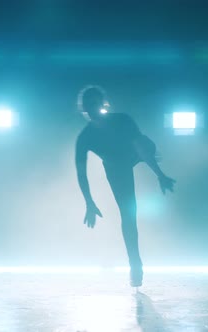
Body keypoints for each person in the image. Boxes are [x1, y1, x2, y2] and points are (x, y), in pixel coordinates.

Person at [75, 85, 175, 287]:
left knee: (146, 145)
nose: (93, 109)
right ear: (84, 109)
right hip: (116, 167)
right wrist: (89, 202)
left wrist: (159, 174)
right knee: (129, 215)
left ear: (102, 104)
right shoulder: (85, 137)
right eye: (89, 105)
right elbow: (81, 172)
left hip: (135, 152)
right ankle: (135, 263)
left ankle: (150, 161)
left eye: (96, 104)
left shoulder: (122, 120)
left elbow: (141, 146)